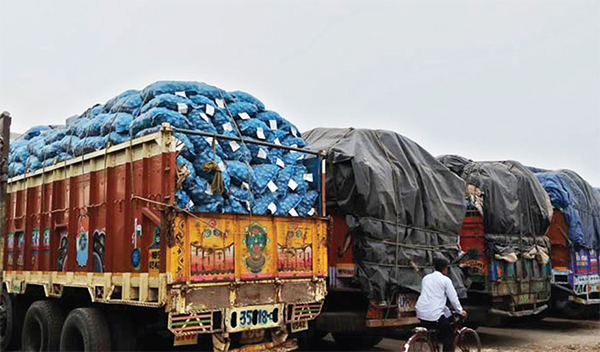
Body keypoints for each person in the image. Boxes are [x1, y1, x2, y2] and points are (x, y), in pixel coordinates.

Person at [415, 258, 467, 352]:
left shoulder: (426, 278)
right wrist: (460, 310)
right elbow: (453, 299)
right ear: (445, 269)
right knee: (449, 334)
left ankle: (433, 344)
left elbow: (432, 297)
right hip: (434, 315)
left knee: (441, 324)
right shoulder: (445, 280)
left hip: (421, 312)